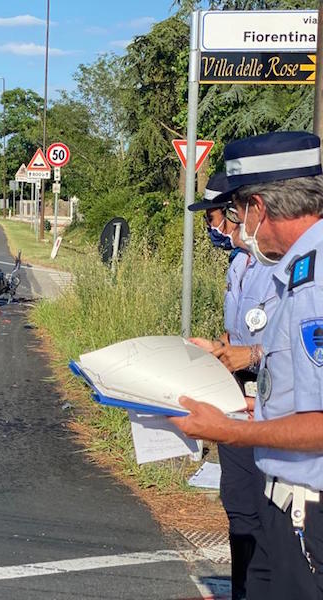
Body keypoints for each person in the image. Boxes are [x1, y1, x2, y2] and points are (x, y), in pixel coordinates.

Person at [170, 131, 323, 600]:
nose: (235, 225)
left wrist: (232, 430)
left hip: (306, 507)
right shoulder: (300, 269)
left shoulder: (311, 283)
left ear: (258, 207)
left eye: (236, 213)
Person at [187, 173, 277, 600]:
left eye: (216, 217)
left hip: (273, 402)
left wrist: (252, 356)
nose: (213, 227)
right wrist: (218, 349)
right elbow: (236, 336)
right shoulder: (239, 263)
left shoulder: (281, 265)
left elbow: (297, 341)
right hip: (235, 397)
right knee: (239, 504)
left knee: (269, 512)